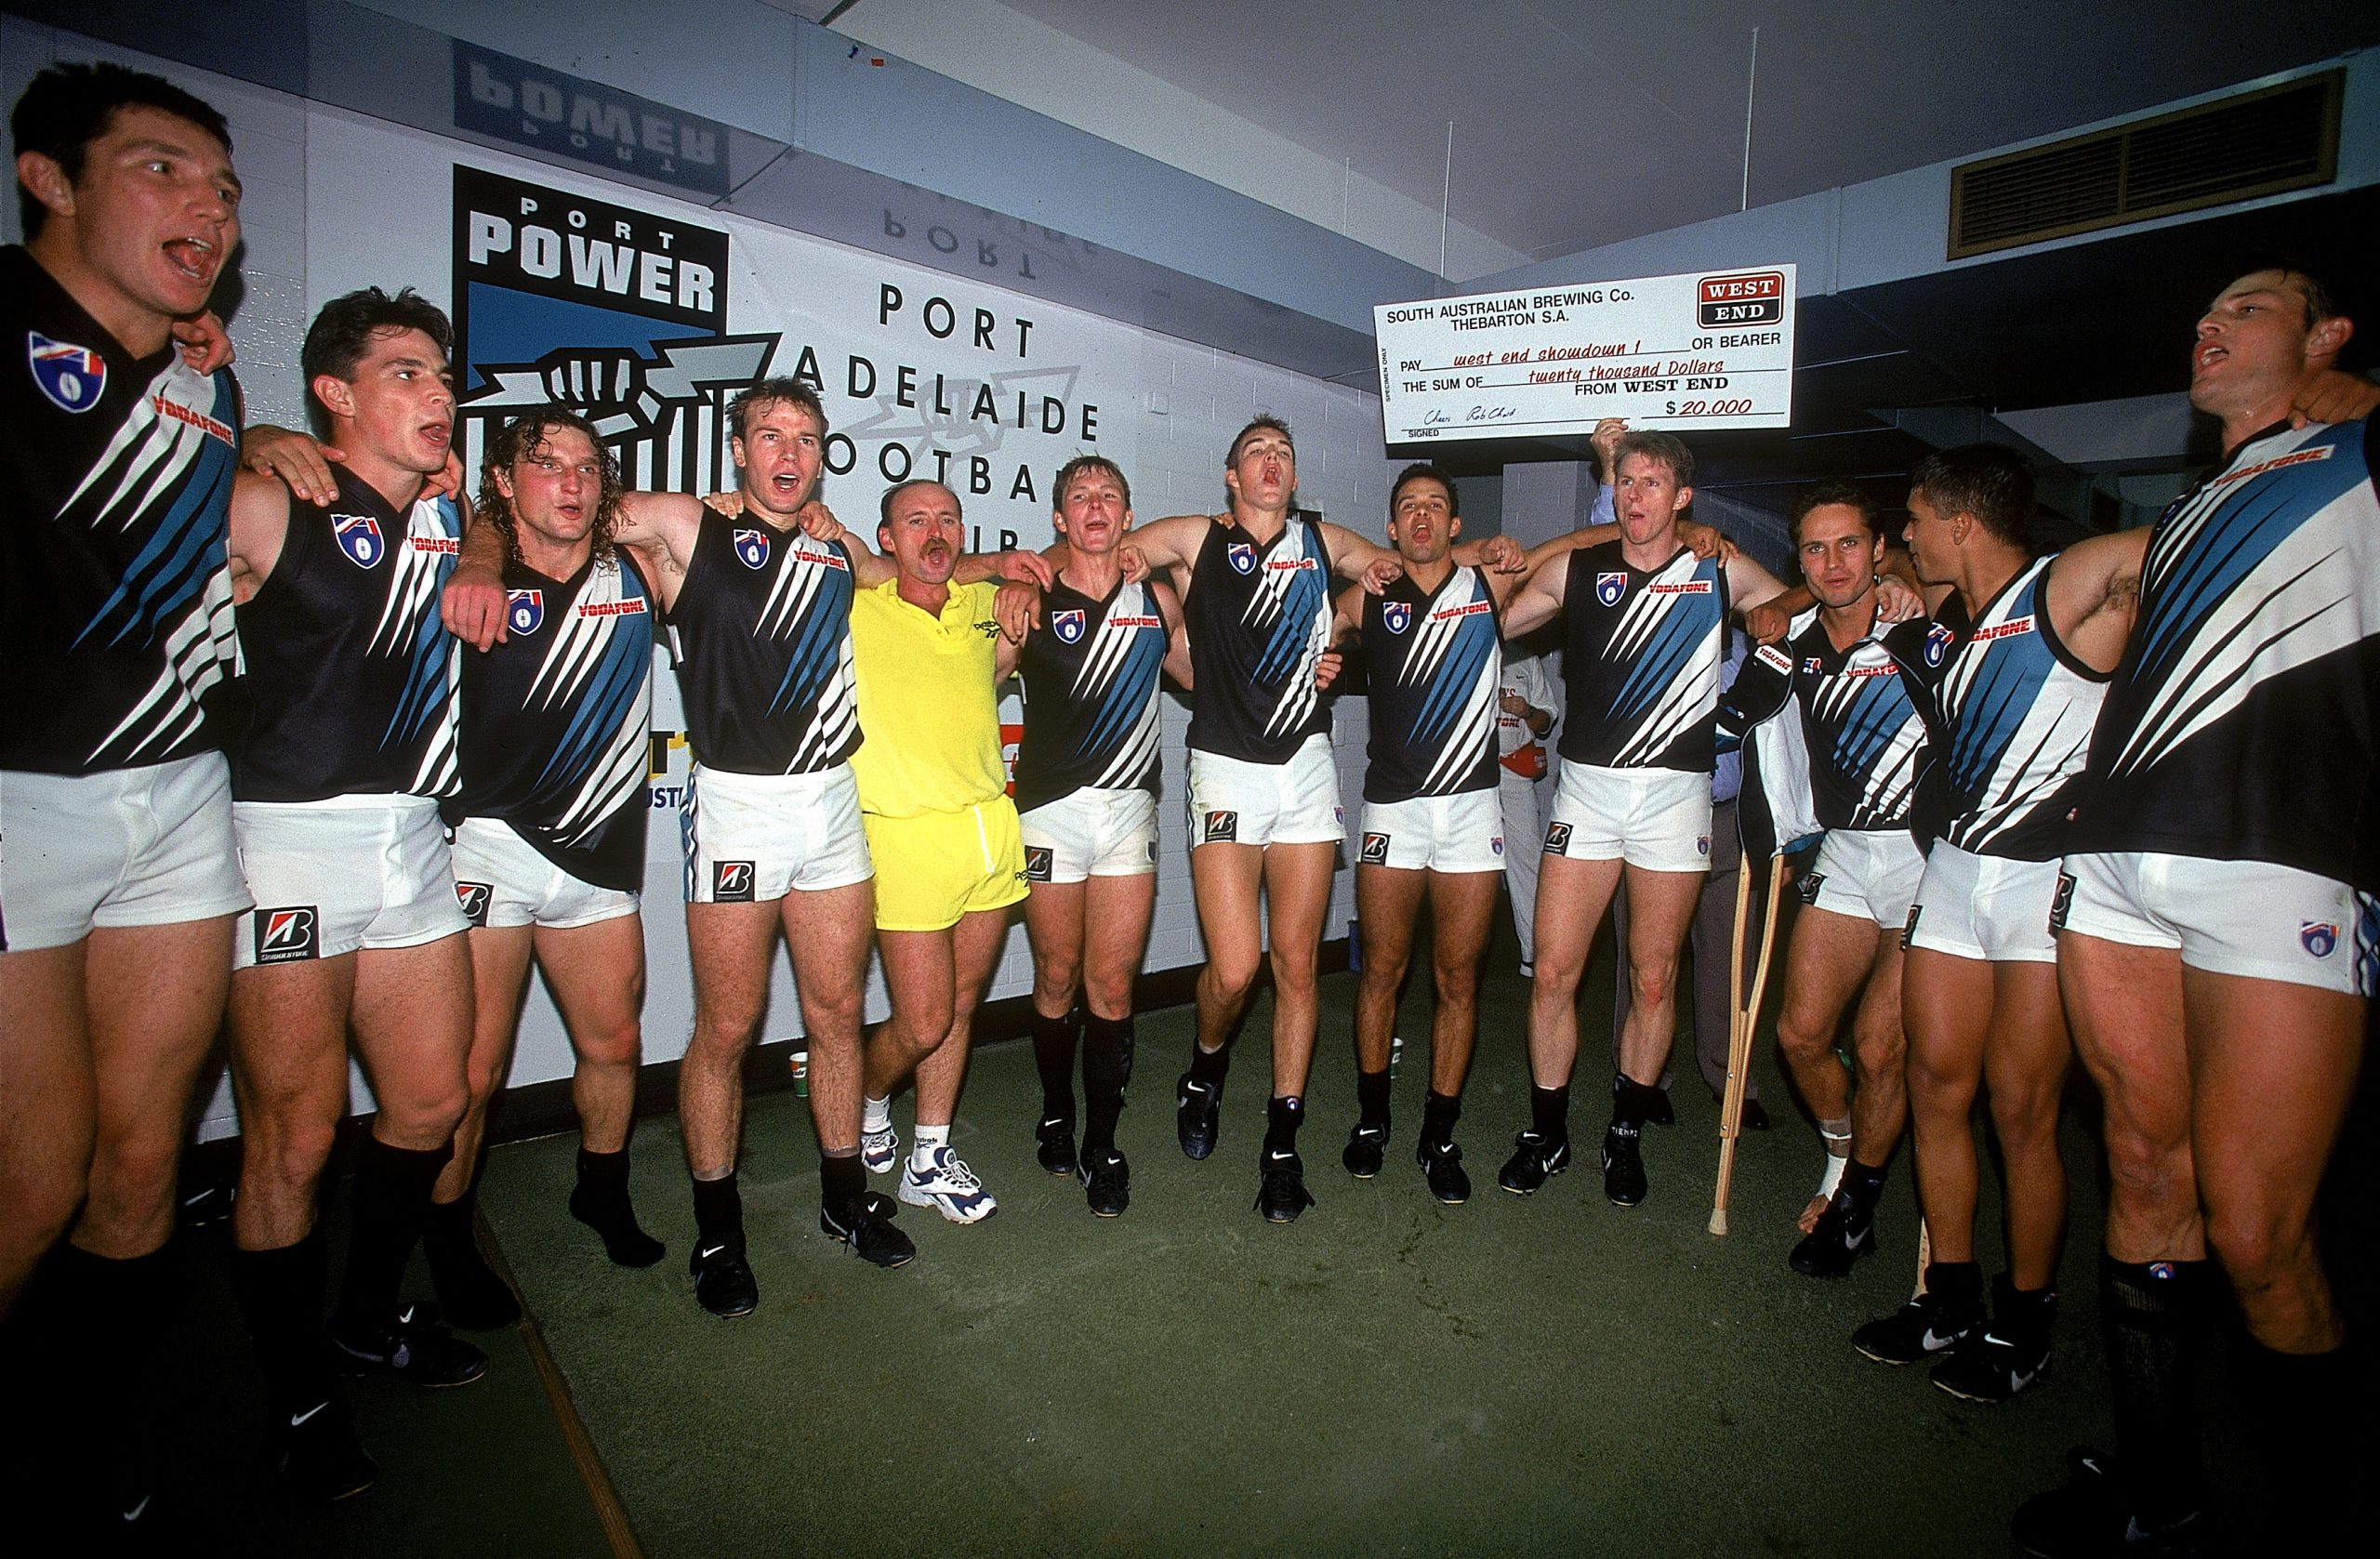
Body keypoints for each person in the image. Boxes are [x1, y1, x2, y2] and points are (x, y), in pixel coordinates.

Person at [445, 378, 1042, 1313]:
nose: (789, 452)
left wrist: (1011, 574)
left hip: (832, 806)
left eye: (805, 438)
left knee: (837, 1016)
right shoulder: (687, 526)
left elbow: (927, 574)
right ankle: (717, 1233)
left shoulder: (840, 550)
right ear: (738, 451)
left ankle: (846, 1199)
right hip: (736, 810)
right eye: (770, 435)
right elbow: (546, 510)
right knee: (725, 1030)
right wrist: (482, 559)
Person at [2016, 270, 2380, 1554]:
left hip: (2276, 860)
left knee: (2260, 1229)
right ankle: (2157, 1483)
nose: (2208, 322)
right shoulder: (2184, 510)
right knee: (2141, 1166)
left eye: (2254, 304)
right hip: (2117, 863)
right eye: (2202, 310)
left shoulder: (2358, 452)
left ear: (2328, 335)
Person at [0, 60, 247, 1527]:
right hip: (16, 797)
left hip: (178, 798)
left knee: (142, 1161)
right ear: (51, 177)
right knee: (31, 1183)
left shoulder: (207, 374)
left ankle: (77, 1450)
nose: (205, 208)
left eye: (220, 188)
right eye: (162, 170)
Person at [1067, 416, 1493, 1222]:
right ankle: (1205, 1068)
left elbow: (1408, 566)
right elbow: (1100, 553)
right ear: (1232, 476)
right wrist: (1017, 574)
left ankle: (1282, 1149)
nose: (1272, 463)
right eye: (1257, 453)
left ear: (1293, 478)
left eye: (1284, 454)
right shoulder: (1196, 537)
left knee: (1297, 966)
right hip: (1225, 769)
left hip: (1305, 770)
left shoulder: (1323, 543)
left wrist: (1479, 558)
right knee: (1235, 969)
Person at [222, 286, 483, 1500]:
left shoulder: (441, 511)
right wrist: (238, 436)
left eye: (441, 375)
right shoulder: (274, 492)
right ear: (333, 393)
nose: (437, 394)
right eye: (407, 374)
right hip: (285, 847)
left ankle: (368, 1316)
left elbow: (474, 519)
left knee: (431, 1098)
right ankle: (299, 1396)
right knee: (293, 1136)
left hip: (413, 839)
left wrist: (474, 531)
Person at [1848, 443, 2148, 1405]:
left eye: (1913, 522)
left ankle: (2025, 1323)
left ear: (1962, 523)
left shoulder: (2063, 588)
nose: (1902, 538)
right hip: (1954, 874)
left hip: (2038, 892)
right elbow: (1871, 578)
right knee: (1937, 1092)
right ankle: (1948, 1296)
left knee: (2021, 1115)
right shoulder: (1957, 619)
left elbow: (2185, 545)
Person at [1494, 429, 1790, 1209]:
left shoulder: (1714, 566)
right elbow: (1498, 614)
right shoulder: (1580, 567)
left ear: (1683, 496)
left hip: (1675, 797)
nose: (1637, 495)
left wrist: (1786, 625)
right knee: (1555, 971)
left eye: (1653, 482)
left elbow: (1795, 600)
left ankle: (1623, 1133)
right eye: (1626, 480)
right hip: (1587, 794)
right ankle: (1549, 1132)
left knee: (1654, 978)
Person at [420, 407, 665, 1333]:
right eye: (546, 464)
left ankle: (599, 1192)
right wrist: (481, 553)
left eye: (586, 468)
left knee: (612, 1047)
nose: (570, 481)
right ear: (502, 482)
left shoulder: (639, 570)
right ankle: (447, 1239)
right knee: (471, 1073)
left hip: (599, 858)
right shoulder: (463, 564)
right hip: (487, 847)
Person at [1324, 463, 1554, 1204]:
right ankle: (1370, 1122)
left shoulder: (1488, 588)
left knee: (1458, 979)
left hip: (1470, 811)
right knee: (1383, 972)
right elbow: (1301, 633)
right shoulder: (1371, 595)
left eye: (1436, 506)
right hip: (1392, 809)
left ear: (1455, 524)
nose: (1422, 517)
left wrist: (1673, 525)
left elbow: (1582, 554)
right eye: (1407, 508)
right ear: (1391, 528)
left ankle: (1438, 1134)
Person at [1731, 483, 1931, 1278]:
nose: (1833, 562)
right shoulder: (1799, 638)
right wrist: (1766, 616)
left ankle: (1852, 1206)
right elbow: (1738, 713)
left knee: (1882, 1046)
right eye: (1815, 549)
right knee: (1800, 1035)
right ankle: (1845, 1158)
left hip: (1928, 858)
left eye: (1849, 544)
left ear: (1880, 548)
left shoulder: (1925, 628)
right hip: (1846, 852)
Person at [848, 481, 1034, 1223]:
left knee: (959, 1005)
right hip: (903, 833)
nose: (936, 532)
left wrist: (1019, 582)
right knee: (922, 1019)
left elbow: (1048, 572)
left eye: (948, 519)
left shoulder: (984, 607)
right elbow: (845, 560)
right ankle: (867, 1100)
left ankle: (930, 1152)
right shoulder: (858, 602)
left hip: (990, 830)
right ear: (887, 538)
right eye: (916, 520)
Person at [1012, 456, 1188, 1217]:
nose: (1094, 506)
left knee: (1112, 985)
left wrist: (1309, 670)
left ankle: (1103, 1143)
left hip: (1128, 813)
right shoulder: (1030, 597)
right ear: (1059, 518)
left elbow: (1204, 677)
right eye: (1079, 496)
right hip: (1048, 812)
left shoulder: (1157, 600)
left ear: (1127, 517)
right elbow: (964, 673)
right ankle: (1056, 1111)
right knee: (1056, 976)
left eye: (1109, 496)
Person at [1495, 653, 1557, 977]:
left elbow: (1546, 721)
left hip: (1514, 772)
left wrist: (1527, 711)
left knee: (1528, 859)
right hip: (1472, 774)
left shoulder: (1527, 659)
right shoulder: (1471, 642)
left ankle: (1533, 954)